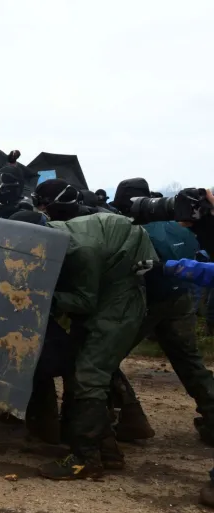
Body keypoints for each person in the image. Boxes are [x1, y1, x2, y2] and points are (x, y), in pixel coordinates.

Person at [29, 180, 157, 480]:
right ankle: (108, 452)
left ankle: (85, 459)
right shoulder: (60, 231)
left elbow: (85, 301)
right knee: (81, 370)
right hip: (112, 289)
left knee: (89, 376)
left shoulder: (79, 250)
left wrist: (44, 296)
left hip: (119, 304)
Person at [101, 179, 214, 445]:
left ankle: (128, 419)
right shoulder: (180, 223)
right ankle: (212, 418)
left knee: (105, 359)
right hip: (181, 297)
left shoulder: (130, 227)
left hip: (145, 302)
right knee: (190, 362)